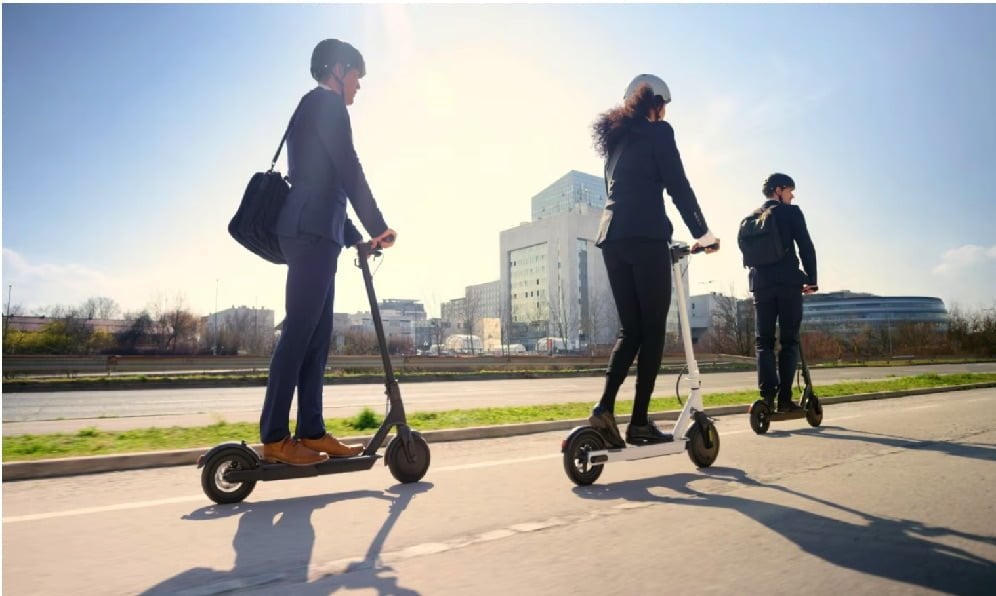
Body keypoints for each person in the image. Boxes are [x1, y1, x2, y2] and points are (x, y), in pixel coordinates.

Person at [259, 39, 397, 465]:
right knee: (299, 332)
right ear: (338, 70)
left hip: (320, 232)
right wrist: (378, 225)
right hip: (310, 233)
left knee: (316, 340)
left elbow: (327, 182)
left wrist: (357, 236)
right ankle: (276, 438)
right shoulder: (326, 104)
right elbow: (348, 167)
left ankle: (312, 430)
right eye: (357, 76)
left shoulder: (315, 106)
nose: (359, 86)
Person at [588, 74, 719, 448]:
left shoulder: (615, 146)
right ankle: (640, 422)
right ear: (655, 104)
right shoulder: (659, 133)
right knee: (653, 331)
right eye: (664, 107)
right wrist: (703, 234)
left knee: (631, 330)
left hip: (612, 241)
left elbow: (623, 194)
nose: (665, 114)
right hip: (646, 239)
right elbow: (677, 183)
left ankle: (604, 408)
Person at [749, 173, 818, 412]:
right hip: (788, 283)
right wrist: (812, 279)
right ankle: (785, 400)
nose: (792, 195)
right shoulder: (791, 213)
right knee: (789, 341)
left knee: (763, 343)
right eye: (790, 190)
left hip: (760, 285)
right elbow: (806, 246)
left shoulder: (752, 218)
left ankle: (766, 399)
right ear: (778, 190)